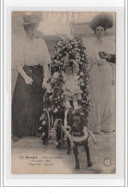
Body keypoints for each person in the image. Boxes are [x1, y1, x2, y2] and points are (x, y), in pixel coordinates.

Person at [12, 13, 51, 141]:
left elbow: (45, 62)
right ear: (26, 30)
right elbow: (18, 64)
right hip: (25, 74)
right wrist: (25, 77)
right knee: (22, 102)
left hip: (38, 73)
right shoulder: (21, 43)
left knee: (37, 102)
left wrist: (45, 78)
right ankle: (18, 131)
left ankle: (37, 130)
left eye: (34, 29)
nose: (33, 31)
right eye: (30, 29)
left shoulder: (41, 42)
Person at [85, 14, 116, 133]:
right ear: (94, 32)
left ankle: (107, 126)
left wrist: (114, 76)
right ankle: (96, 126)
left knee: (106, 97)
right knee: (96, 97)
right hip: (95, 72)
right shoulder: (90, 45)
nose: (99, 32)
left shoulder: (109, 44)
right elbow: (88, 59)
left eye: (101, 30)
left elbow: (113, 61)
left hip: (107, 71)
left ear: (104, 31)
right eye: (97, 30)